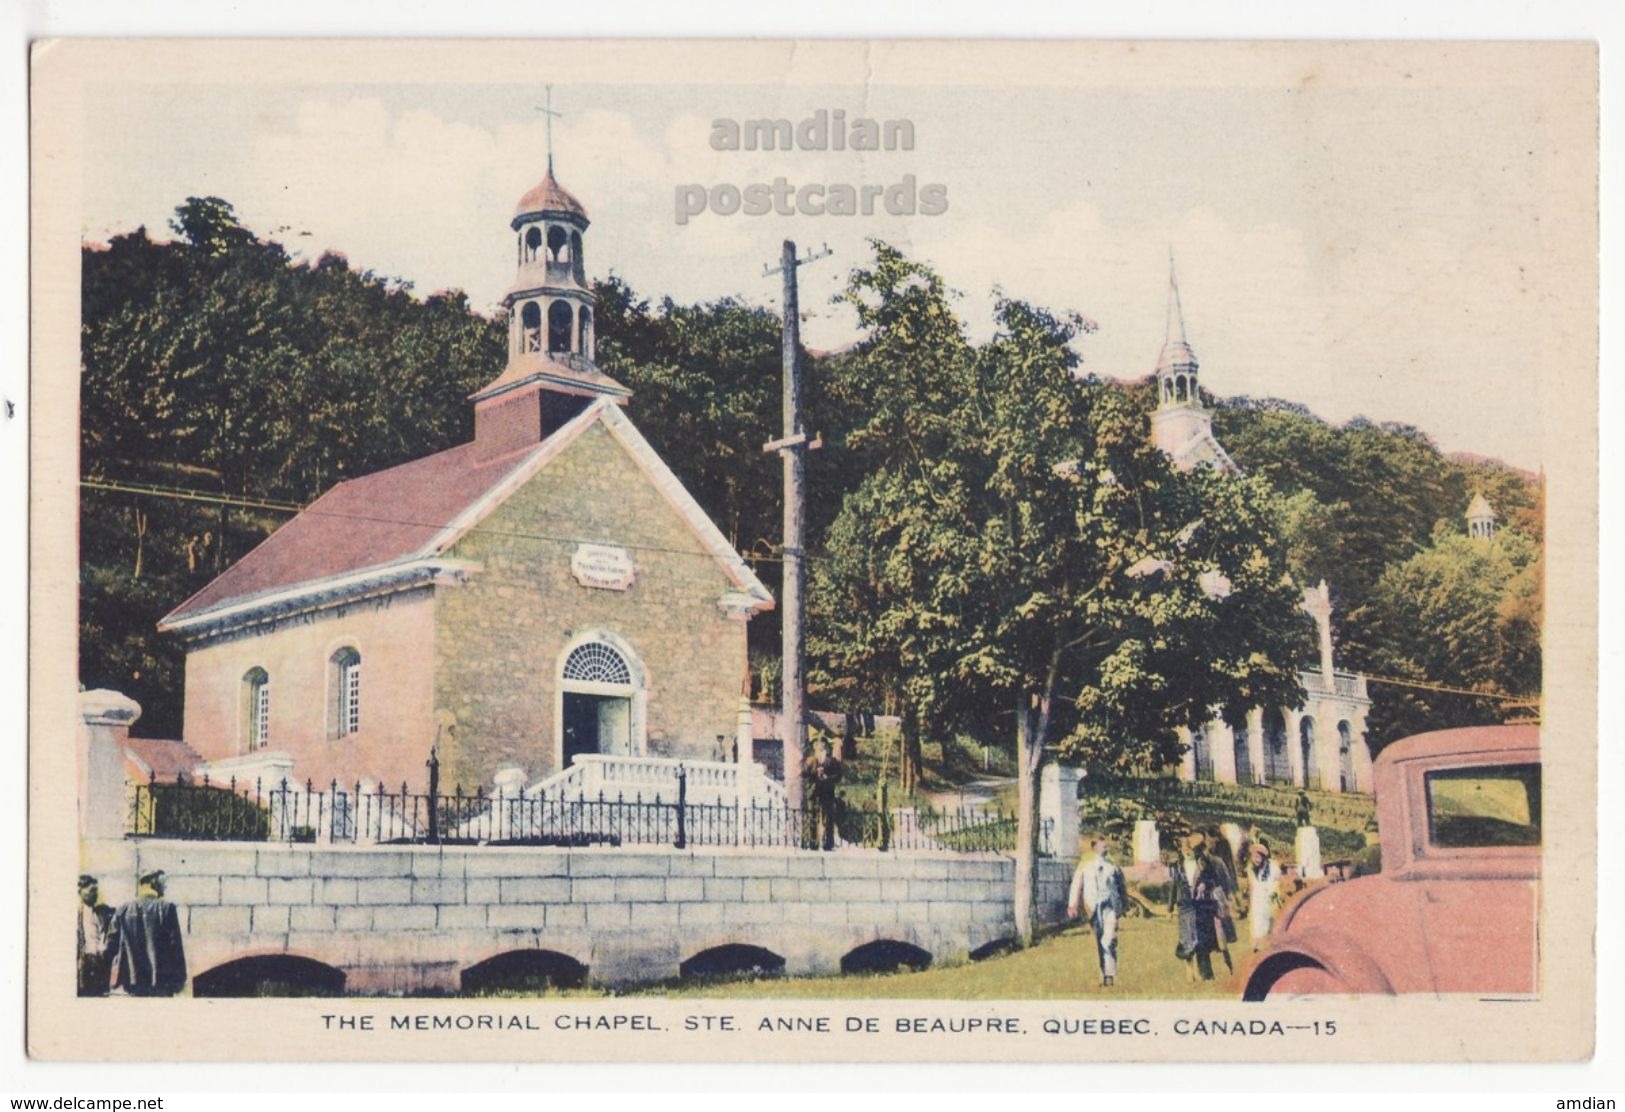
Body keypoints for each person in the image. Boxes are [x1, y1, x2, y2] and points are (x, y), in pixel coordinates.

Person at [109, 869, 188, 997]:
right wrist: (180, 980)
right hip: (161, 984)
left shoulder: (122, 910)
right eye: (162, 881)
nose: (165, 886)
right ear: (153, 881)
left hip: (132, 984)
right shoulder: (167, 908)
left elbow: (111, 947)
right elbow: (176, 948)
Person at [1067, 836, 1128, 987]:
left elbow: (1122, 887)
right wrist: (1072, 905)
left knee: (1109, 939)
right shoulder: (1085, 865)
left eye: (1106, 847)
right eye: (1102, 846)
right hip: (1093, 907)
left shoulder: (1113, 866)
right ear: (1094, 847)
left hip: (1110, 906)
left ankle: (1110, 975)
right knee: (1100, 940)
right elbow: (1076, 885)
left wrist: (1123, 906)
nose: (1105, 849)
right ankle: (1104, 973)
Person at [1168, 831, 1222, 981]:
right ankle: (1189, 972)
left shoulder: (1203, 862)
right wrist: (1170, 908)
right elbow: (1173, 887)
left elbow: (1214, 880)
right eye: (1185, 848)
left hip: (1201, 906)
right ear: (1181, 849)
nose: (1188, 851)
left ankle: (1206, 974)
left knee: (1202, 940)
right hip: (1185, 906)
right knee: (1187, 940)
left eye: (1190, 848)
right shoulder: (1177, 866)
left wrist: (1205, 884)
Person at [1205, 827, 1240, 974]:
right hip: (1205, 900)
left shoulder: (1218, 859)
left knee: (1221, 936)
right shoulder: (1201, 858)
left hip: (1217, 898)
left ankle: (1229, 967)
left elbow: (1227, 877)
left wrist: (1231, 896)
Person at [76, 875, 113, 997]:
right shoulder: (77, 913)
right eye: (91, 891)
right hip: (84, 962)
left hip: (99, 962)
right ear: (80, 890)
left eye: (96, 891)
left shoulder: (101, 912)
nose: (95, 894)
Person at [807, 738, 844, 851]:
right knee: (812, 816)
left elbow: (838, 775)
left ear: (826, 746)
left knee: (828, 818)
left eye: (821, 743)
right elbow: (805, 774)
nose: (819, 745)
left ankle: (828, 843)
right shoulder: (810, 760)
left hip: (827, 791)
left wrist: (828, 778)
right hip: (814, 792)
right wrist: (815, 772)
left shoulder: (831, 760)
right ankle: (813, 842)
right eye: (816, 743)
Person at [1247, 839, 1282, 951]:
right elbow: (1252, 887)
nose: (1256, 860)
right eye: (1254, 857)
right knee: (1257, 928)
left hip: (1269, 902)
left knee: (1270, 929)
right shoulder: (1250, 869)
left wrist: (1272, 893)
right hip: (1257, 903)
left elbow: (1277, 884)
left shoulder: (1273, 867)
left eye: (1258, 857)